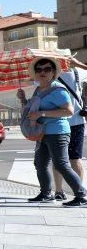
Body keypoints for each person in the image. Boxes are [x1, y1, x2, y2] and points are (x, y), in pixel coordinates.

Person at [25, 57, 87, 206]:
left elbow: (69, 111)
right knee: (40, 163)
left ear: (53, 73)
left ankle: (81, 195)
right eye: (39, 69)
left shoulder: (58, 89)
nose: (42, 72)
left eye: (47, 69)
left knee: (61, 164)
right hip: (42, 132)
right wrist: (25, 103)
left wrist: (42, 114)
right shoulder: (38, 90)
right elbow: (35, 109)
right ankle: (46, 193)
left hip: (57, 131)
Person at [50, 56, 87, 201]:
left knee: (62, 159)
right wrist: (79, 63)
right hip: (70, 121)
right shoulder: (77, 71)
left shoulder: (49, 73)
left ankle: (63, 191)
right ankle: (77, 191)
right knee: (72, 159)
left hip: (61, 122)